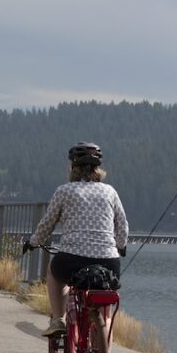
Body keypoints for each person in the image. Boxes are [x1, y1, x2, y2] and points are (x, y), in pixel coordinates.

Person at [27, 142, 128, 337]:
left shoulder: (64, 191)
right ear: (98, 169)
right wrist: (121, 246)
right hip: (108, 260)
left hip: (72, 259)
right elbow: (122, 224)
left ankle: (59, 319)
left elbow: (47, 223)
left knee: (54, 273)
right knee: (104, 313)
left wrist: (33, 242)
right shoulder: (110, 191)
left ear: (73, 168)